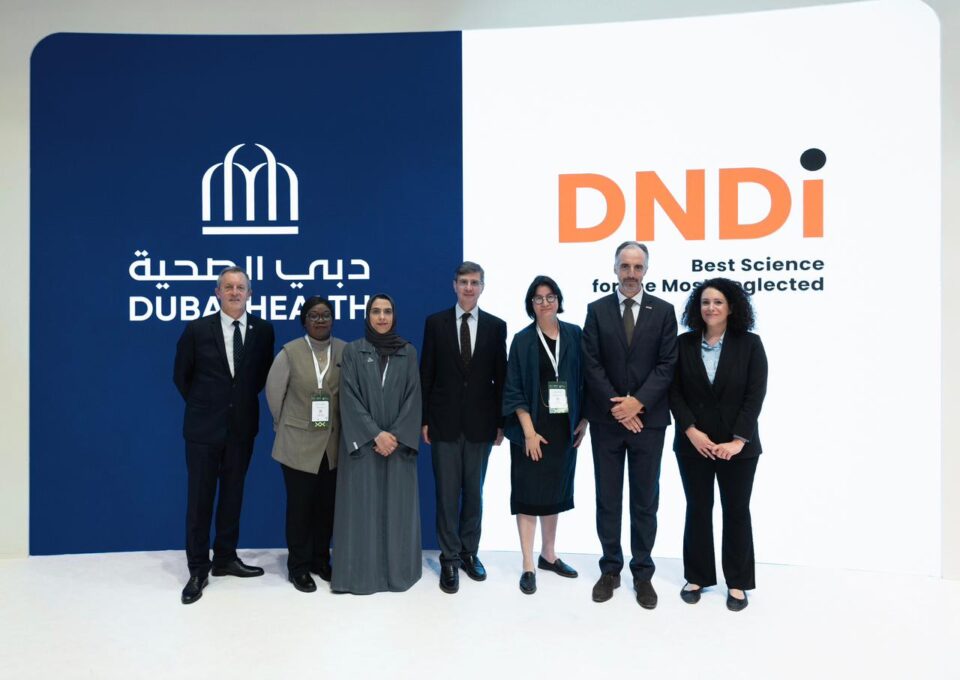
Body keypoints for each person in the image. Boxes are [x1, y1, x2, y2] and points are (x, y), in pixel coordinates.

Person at [582, 241, 677, 609]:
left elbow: (667, 364)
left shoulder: (664, 311)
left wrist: (638, 403)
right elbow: (591, 364)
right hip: (607, 422)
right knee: (608, 499)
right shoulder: (597, 310)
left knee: (644, 500)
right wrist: (620, 408)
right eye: (625, 266)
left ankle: (642, 572)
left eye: (638, 267)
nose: (631, 273)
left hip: (649, 423)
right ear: (615, 269)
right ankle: (610, 569)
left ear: (646, 271)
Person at [173, 266, 275, 605]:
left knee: (233, 495)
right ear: (217, 293)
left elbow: (259, 377)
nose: (234, 292)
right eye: (228, 287)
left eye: (240, 287)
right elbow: (181, 376)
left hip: (242, 428)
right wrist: (208, 405)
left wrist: (234, 405)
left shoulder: (263, 331)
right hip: (203, 430)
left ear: (249, 294)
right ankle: (198, 568)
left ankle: (226, 558)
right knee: (199, 500)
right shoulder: (197, 330)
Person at [669, 278, 768, 612]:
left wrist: (738, 441)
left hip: (738, 448)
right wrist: (691, 431)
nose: (710, 308)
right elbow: (674, 391)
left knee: (736, 511)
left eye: (718, 302)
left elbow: (755, 394)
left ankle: (737, 582)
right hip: (693, 445)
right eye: (705, 302)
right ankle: (697, 577)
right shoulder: (683, 344)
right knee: (697, 508)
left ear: (731, 307)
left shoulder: (750, 344)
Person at [420, 262, 507, 594]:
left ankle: (470, 552)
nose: (469, 287)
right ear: (454, 285)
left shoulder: (496, 326)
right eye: (464, 282)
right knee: (446, 495)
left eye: (475, 282)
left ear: (482, 287)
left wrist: (500, 422)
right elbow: (426, 374)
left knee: (474, 493)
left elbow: (501, 378)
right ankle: (449, 558)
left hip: (481, 425)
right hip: (443, 423)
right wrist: (424, 419)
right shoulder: (435, 323)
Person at [331, 294, 422, 594]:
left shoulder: (408, 352)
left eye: (387, 311)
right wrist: (375, 434)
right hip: (365, 446)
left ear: (394, 316)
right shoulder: (353, 351)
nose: (382, 317)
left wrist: (394, 435)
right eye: (375, 311)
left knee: (398, 510)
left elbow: (414, 398)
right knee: (362, 510)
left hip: (397, 447)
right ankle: (360, 576)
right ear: (367, 316)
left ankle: (399, 573)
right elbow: (348, 398)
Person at [502, 276, 588, 595]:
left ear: (558, 300)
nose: (545, 303)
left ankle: (548, 555)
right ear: (531, 304)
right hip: (531, 429)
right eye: (538, 298)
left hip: (564, 428)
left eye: (550, 297)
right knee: (527, 494)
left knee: (554, 493)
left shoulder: (575, 334)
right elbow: (513, 389)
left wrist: (585, 420)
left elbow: (586, 380)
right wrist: (528, 433)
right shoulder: (522, 340)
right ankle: (528, 563)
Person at [265, 296, 345, 593]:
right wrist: (286, 425)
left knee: (326, 508)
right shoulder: (289, 353)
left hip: (332, 445)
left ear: (333, 320)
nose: (320, 320)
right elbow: (274, 395)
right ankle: (298, 567)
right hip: (297, 444)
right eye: (314, 315)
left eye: (326, 315)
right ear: (304, 321)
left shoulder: (345, 350)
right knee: (300, 509)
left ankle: (320, 560)